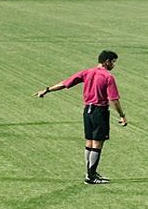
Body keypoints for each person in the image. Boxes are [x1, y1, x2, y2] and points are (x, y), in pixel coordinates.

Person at [33, 50, 127, 184]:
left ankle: (90, 172)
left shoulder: (87, 72)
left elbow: (65, 83)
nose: (114, 65)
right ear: (107, 62)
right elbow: (114, 100)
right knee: (98, 143)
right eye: (113, 62)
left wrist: (47, 90)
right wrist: (122, 115)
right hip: (99, 112)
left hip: (87, 111)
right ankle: (91, 176)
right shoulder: (108, 77)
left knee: (89, 142)